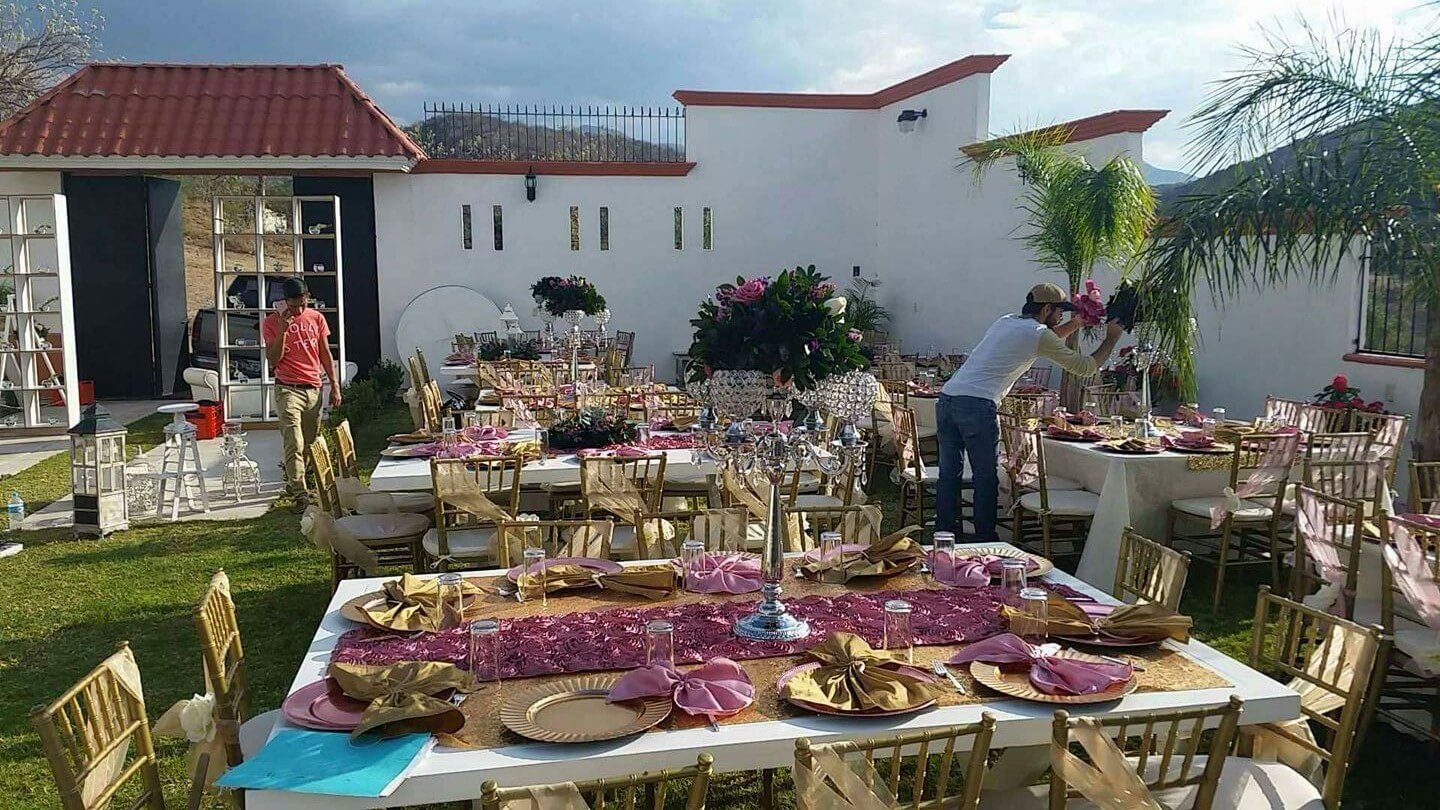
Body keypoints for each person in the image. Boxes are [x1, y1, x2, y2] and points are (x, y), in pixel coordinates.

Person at [935, 282, 1123, 540]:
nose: (1062, 316)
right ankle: (984, 540)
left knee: (949, 474)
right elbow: (1084, 367)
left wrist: (1077, 323)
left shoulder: (1007, 321)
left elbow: (1047, 339)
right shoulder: (1037, 334)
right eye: (1060, 311)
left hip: (948, 398)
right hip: (977, 404)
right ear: (1046, 309)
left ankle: (944, 535)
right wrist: (1112, 337)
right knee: (985, 477)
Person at [262, 277, 341, 504]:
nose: (298, 310)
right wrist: (283, 331)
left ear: (307, 298)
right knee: (293, 441)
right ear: (284, 301)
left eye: (302, 304)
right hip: (287, 388)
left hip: (313, 387)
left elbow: (324, 352)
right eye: (293, 305)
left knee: (309, 442)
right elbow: (273, 359)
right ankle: (300, 494)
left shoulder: (316, 318)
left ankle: (296, 482)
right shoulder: (271, 323)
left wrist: (334, 385)